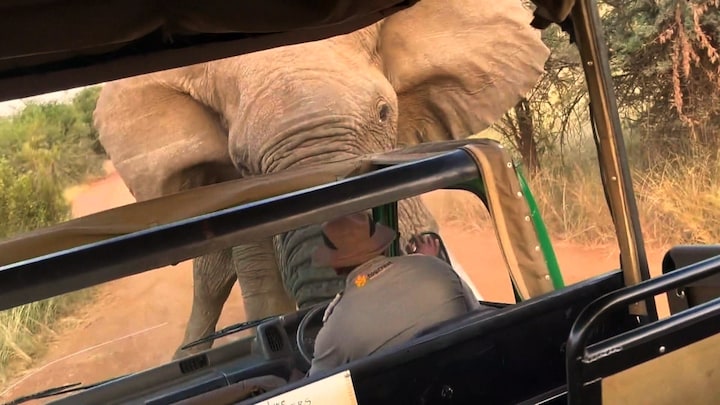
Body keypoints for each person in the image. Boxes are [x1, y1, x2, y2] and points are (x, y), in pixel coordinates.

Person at [307, 212, 492, 376]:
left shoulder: (336, 327)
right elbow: (477, 317)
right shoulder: (436, 267)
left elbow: (317, 392)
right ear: (384, 246)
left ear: (335, 266)